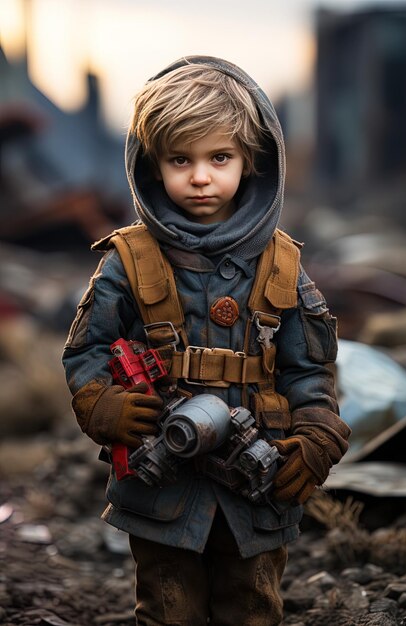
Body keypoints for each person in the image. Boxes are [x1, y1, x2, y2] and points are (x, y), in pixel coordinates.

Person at [62, 56, 351, 626]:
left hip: (258, 487)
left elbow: (309, 370)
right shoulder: (128, 262)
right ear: (152, 164)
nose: (200, 177)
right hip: (161, 481)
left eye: (220, 158)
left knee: (253, 607)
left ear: (251, 162)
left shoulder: (283, 265)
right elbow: (87, 350)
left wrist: (318, 431)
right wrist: (101, 402)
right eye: (180, 160)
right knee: (168, 607)